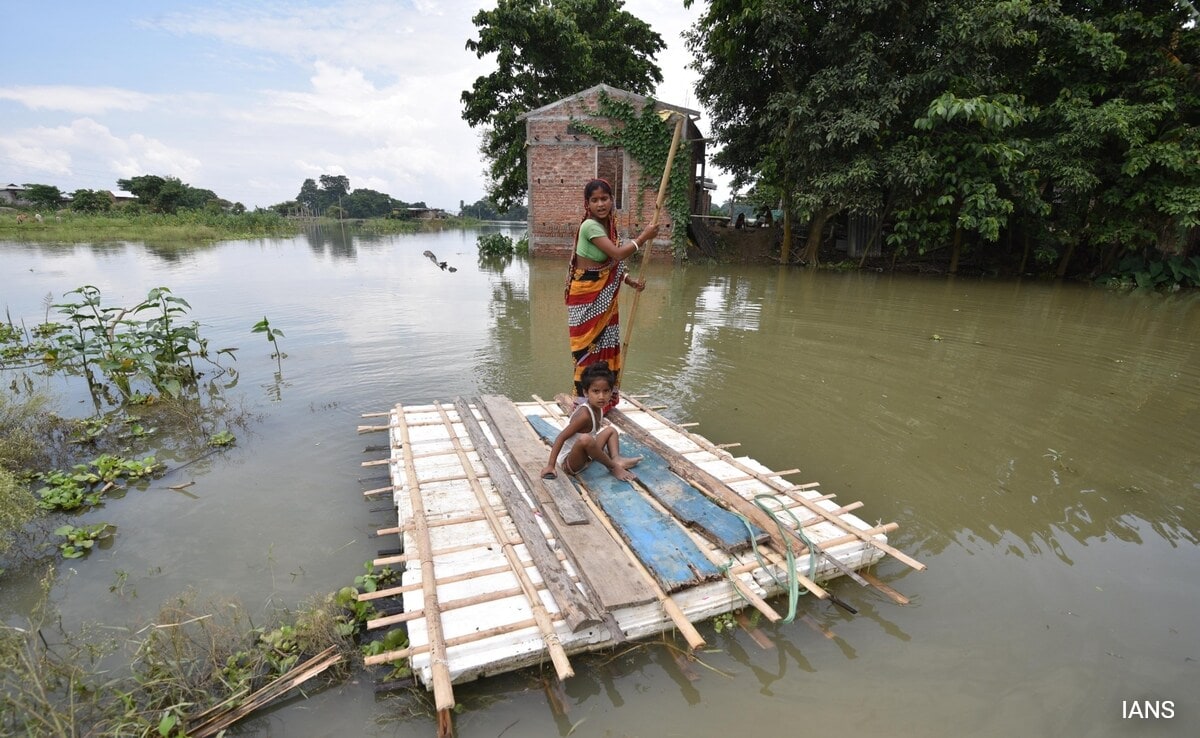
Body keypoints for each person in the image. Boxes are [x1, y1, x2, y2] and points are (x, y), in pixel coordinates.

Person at [564, 178, 659, 410]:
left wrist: (629, 280)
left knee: (605, 345)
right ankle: (584, 402)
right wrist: (643, 238)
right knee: (586, 349)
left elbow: (609, 267)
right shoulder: (590, 226)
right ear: (587, 204)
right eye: (594, 200)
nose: (600, 204)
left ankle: (603, 399)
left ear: (611, 201)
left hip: (604, 301)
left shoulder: (609, 227)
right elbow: (617, 255)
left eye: (604, 198)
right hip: (586, 299)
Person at [540, 361, 642, 482]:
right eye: (596, 391)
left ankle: (616, 459)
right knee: (585, 439)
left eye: (606, 391)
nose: (601, 396)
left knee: (611, 430)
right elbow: (561, 437)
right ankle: (613, 467)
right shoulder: (584, 415)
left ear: (611, 392)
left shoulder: (599, 408)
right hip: (570, 462)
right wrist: (550, 466)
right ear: (585, 392)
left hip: (587, 454)